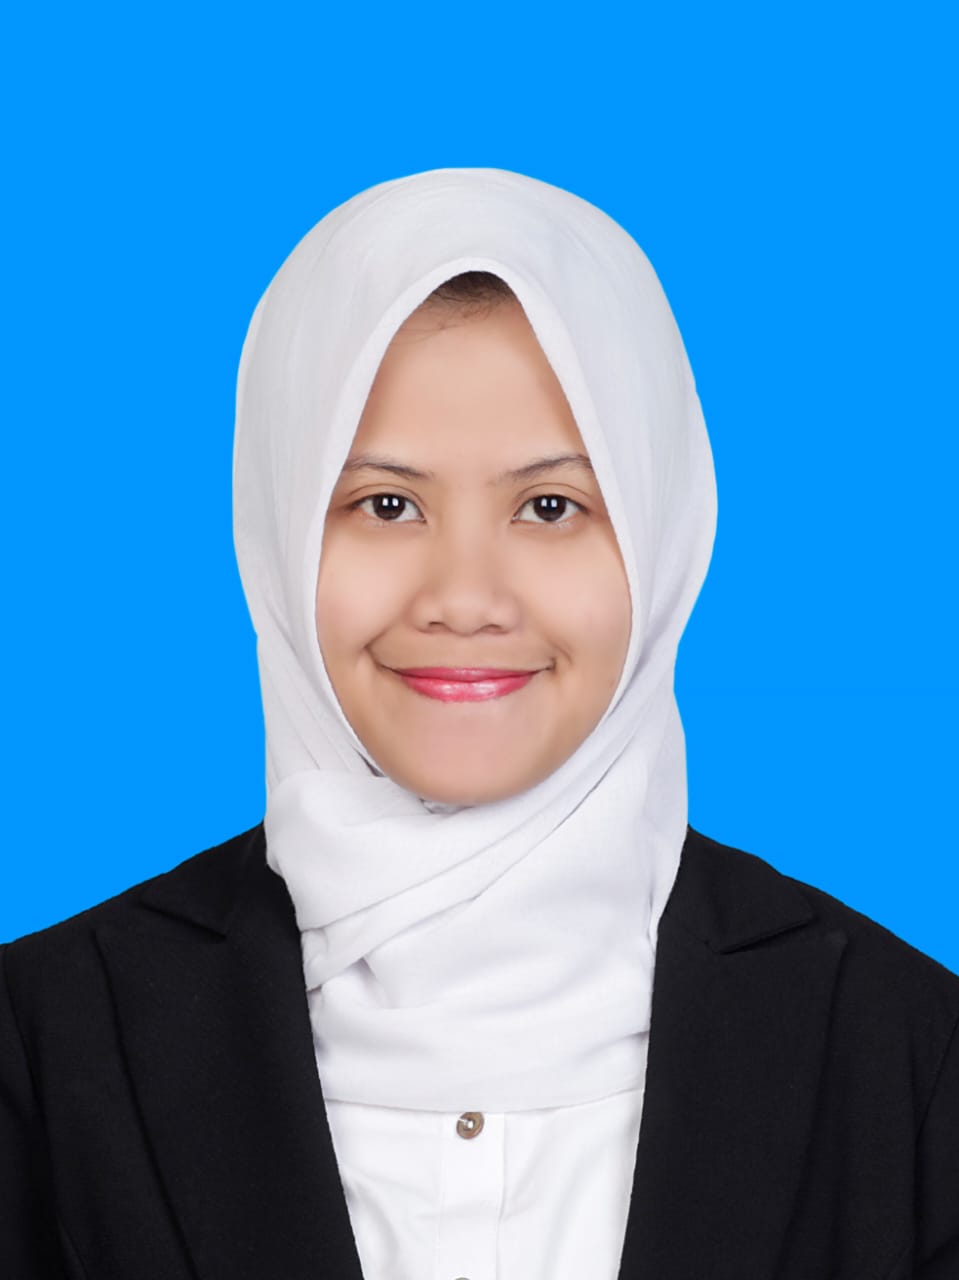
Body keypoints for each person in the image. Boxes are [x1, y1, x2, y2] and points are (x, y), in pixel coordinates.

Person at [1, 167, 957, 1280]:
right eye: (385, 503)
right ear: (278, 532)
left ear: (659, 537)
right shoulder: (45, 1046)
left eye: (549, 506)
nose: (463, 597)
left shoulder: (903, 1057)